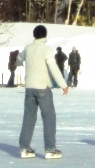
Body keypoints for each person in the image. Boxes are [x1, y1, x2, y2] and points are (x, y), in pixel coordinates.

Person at [18, 24, 69, 159]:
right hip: (43, 88)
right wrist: (63, 84)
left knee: (29, 118)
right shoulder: (47, 49)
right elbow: (53, 68)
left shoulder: (28, 48)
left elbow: (19, 58)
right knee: (49, 118)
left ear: (34, 35)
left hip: (29, 88)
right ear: (45, 36)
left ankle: (24, 148)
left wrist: (19, 63)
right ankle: (50, 149)